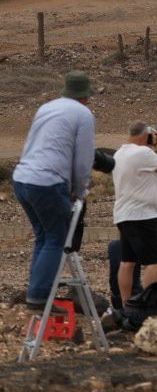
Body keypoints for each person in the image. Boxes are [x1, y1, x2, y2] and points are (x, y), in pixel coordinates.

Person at [11, 72, 96, 312]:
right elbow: (83, 160)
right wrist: (80, 192)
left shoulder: (46, 108)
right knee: (57, 238)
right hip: (47, 182)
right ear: (86, 97)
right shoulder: (84, 115)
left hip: (22, 178)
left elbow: (32, 142)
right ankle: (38, 298)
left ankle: (35, 294)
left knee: (43, 236)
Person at [112, 121, 157, 308]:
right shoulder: (143, 153)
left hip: (124, 214)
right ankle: (146, 306)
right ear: (145, 135)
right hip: (143, 215)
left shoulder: (119, 153)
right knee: (154, 262)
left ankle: (125, 305)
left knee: (127, 261)